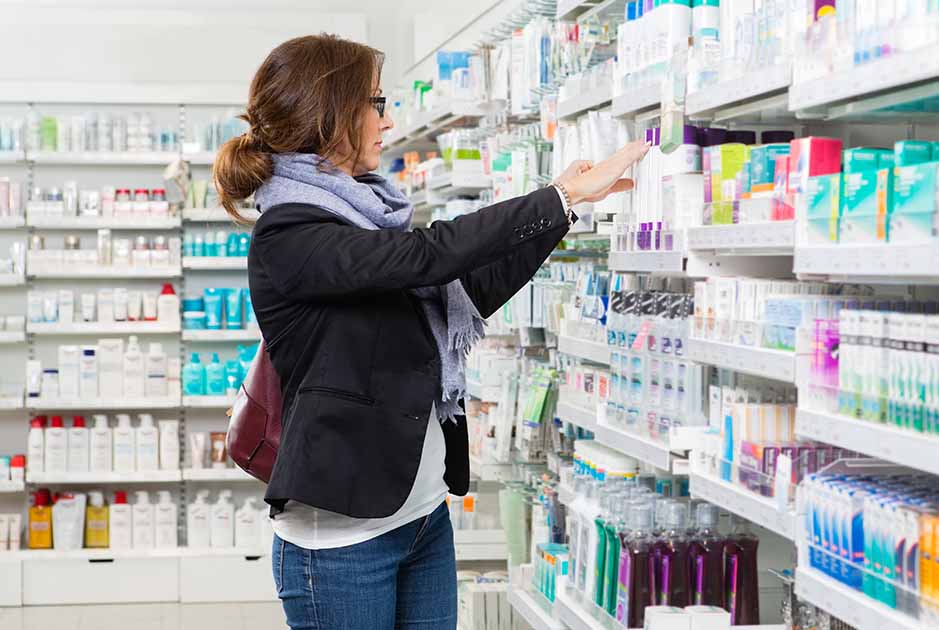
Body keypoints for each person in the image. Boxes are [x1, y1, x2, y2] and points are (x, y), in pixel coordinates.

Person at [211, 33, 647, 630]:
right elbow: (427, 256)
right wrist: (555, 193)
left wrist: (564, 212)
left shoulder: (364, 212)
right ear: (332, 114)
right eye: (376, 103)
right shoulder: (289, 236)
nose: (387, 120)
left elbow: (470, 289)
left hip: (421, 517)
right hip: (343, 539)